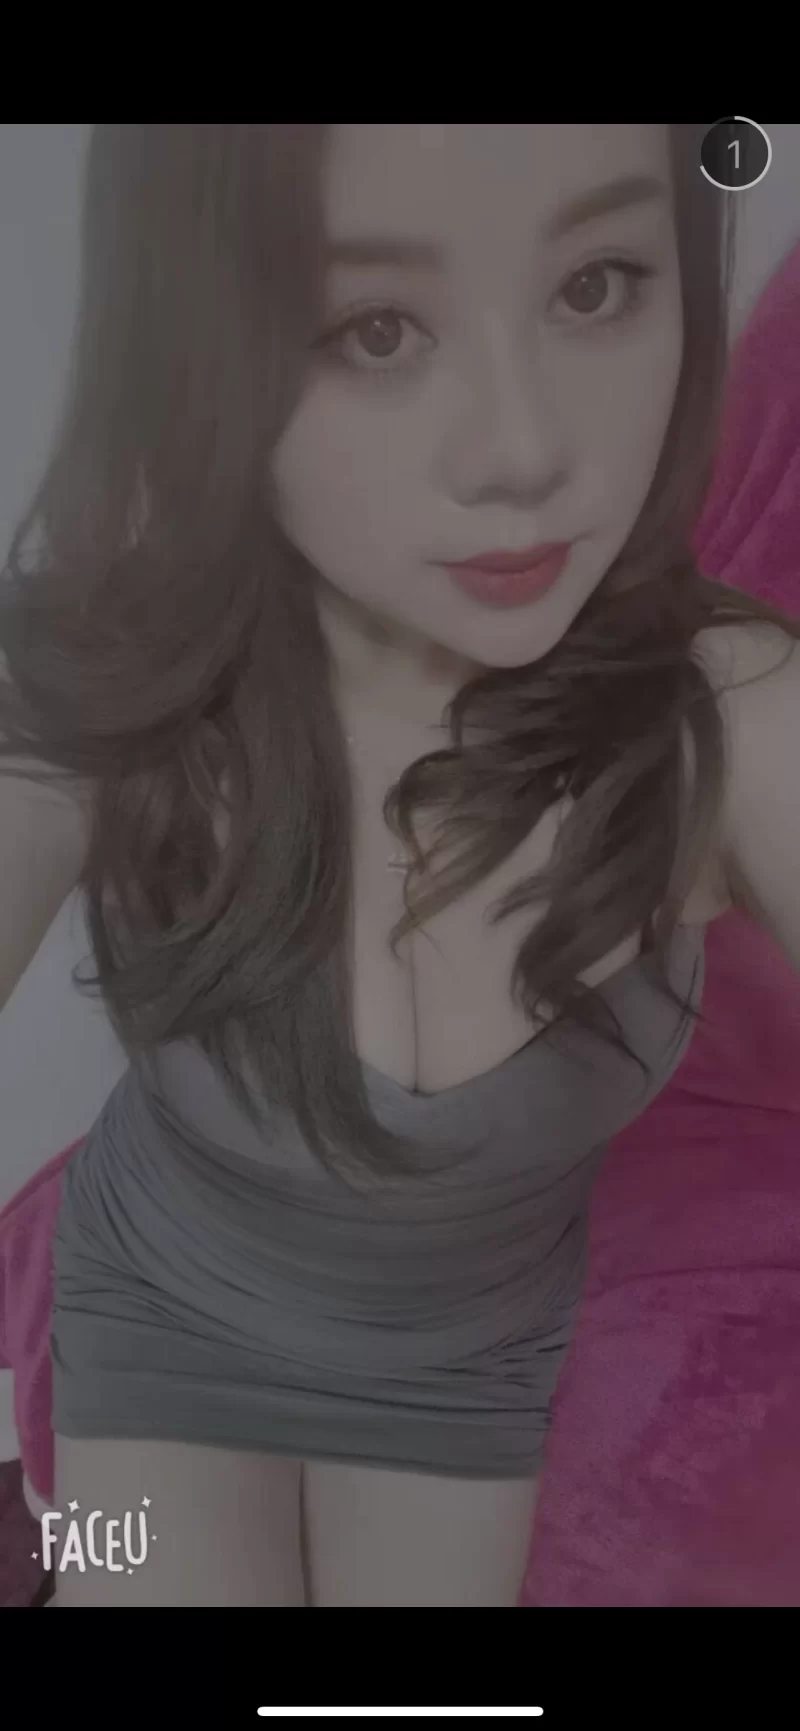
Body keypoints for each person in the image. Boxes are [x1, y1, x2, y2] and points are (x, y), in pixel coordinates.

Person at [0, 124, 798, 1609]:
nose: (524, 450)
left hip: (466, 1371)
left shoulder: (724, 717)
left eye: (595, 285)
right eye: (375, 326)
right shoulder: (125, 677)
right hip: (154, 1308)